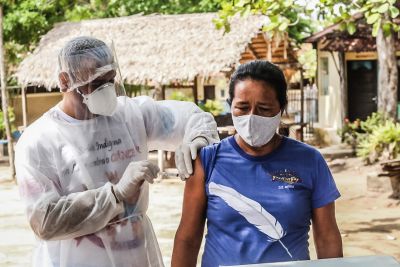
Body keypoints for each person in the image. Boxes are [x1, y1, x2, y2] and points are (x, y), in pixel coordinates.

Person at [15, 36, 219, 267]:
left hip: (136, 256)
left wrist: (199, 138)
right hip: (74, 260)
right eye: (95, 81)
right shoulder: (39, 140)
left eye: (109, 80)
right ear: (64, 81)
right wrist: (115, 195)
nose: (105, 90)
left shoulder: (129, 115)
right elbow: (45, 220)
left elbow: (194, 118)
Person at [172, 60, 343, 267]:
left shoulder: (309, 160)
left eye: (264, 108)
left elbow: (327, 237)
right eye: (242, 107)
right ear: (231, 106)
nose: (252, 117)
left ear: (281, 108)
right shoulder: (207, 161)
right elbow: (187, 240)